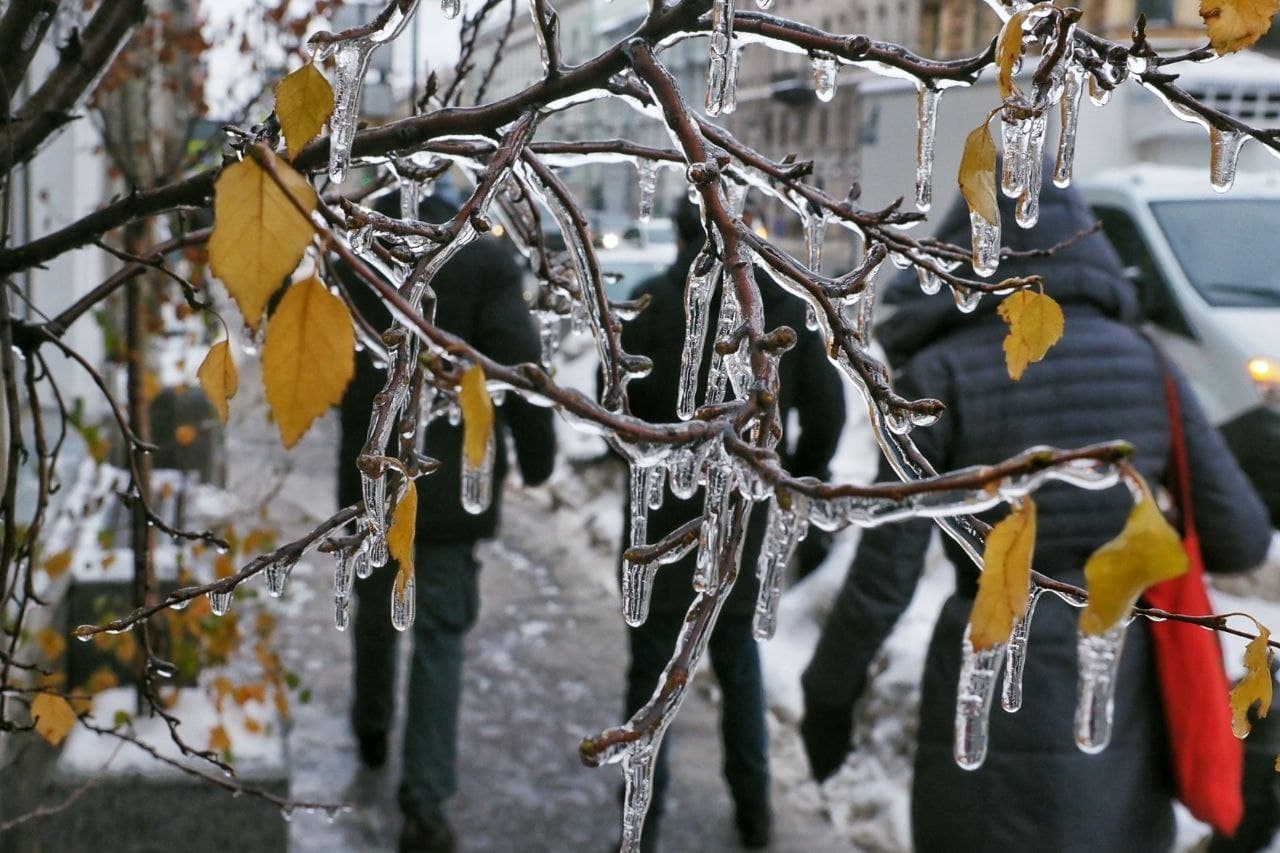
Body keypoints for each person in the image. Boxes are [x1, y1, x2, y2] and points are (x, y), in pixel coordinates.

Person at [799, 177, 1273, 852]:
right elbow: (1243, 537)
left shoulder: (940, 374)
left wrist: (829, 694)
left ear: (968, 256)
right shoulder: (1147, 363)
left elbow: (887, 572)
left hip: (985, 679)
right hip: (1123, 685)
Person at [618, 202, 845, 850]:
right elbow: (827, 413)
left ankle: (639, 820)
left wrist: (647, 469)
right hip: (744, 517)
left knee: (651, 668)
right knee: (738, 659)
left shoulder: (655, 301)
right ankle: (754, 812)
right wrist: (796, 470)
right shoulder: (783, 310)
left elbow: (620, 410)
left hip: (659, 521)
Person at [337, 194, 556, 853]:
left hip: (370, 482)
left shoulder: (358, 255)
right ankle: (424, 806)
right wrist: (539, 455)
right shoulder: (485, 263)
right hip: (449, 494)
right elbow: (519, 363)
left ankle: (372, 726)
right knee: (439, 636)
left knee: (375, 611)